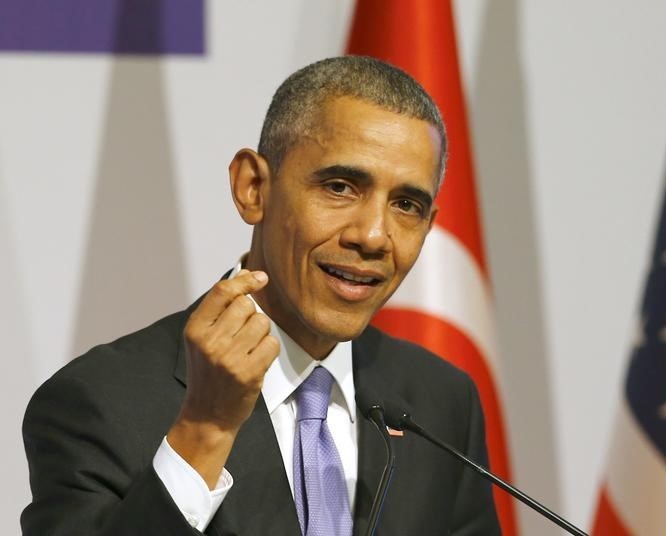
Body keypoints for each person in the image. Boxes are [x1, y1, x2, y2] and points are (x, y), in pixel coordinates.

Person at [22, 56, 500, 535]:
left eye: (406, 205)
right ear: (253, 187)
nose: (374, 236)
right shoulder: (99, 402)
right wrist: (204, 431)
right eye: (340, 187)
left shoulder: (441, 403)